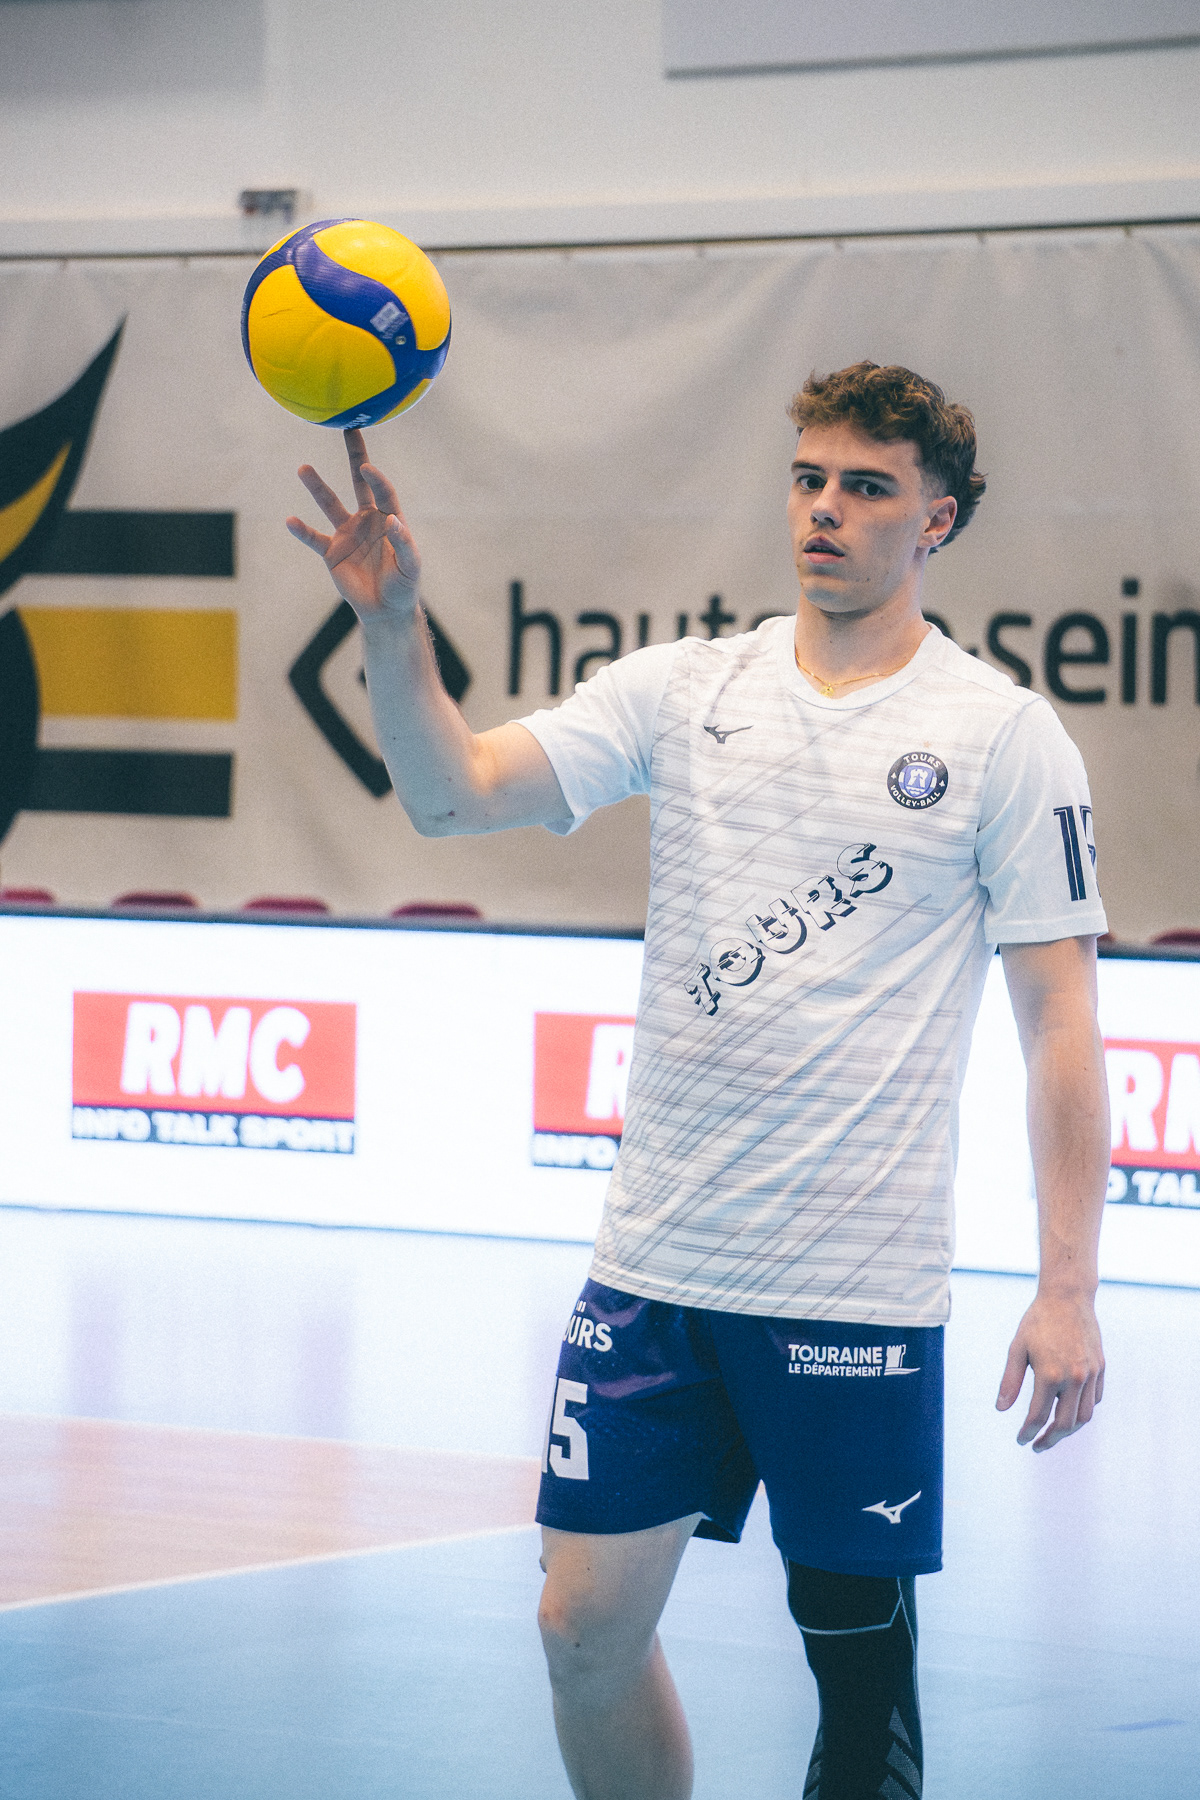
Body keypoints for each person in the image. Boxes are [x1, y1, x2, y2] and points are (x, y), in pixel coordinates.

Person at [287, 362, 1110, 1800]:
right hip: (657, 1269)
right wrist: (392, 621)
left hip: (852, 1291)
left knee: (856, 1674)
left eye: (867, 487)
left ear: (937, 521)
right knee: (580, 1630)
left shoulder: (1004, 736)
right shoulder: (684, 689)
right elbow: (450, 794)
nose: (825, 510)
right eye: (809, 478)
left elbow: (1061, 1025)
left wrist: (1068, 1289)